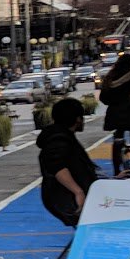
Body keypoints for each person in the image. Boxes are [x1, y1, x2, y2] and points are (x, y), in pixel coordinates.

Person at [36, 97, 97, 227]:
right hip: (67, 198)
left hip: (70, 195)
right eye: (81, 117)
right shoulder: (58, 140)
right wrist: (78, 192)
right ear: (77, 119)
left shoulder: (62, 136)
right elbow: (57, 167)